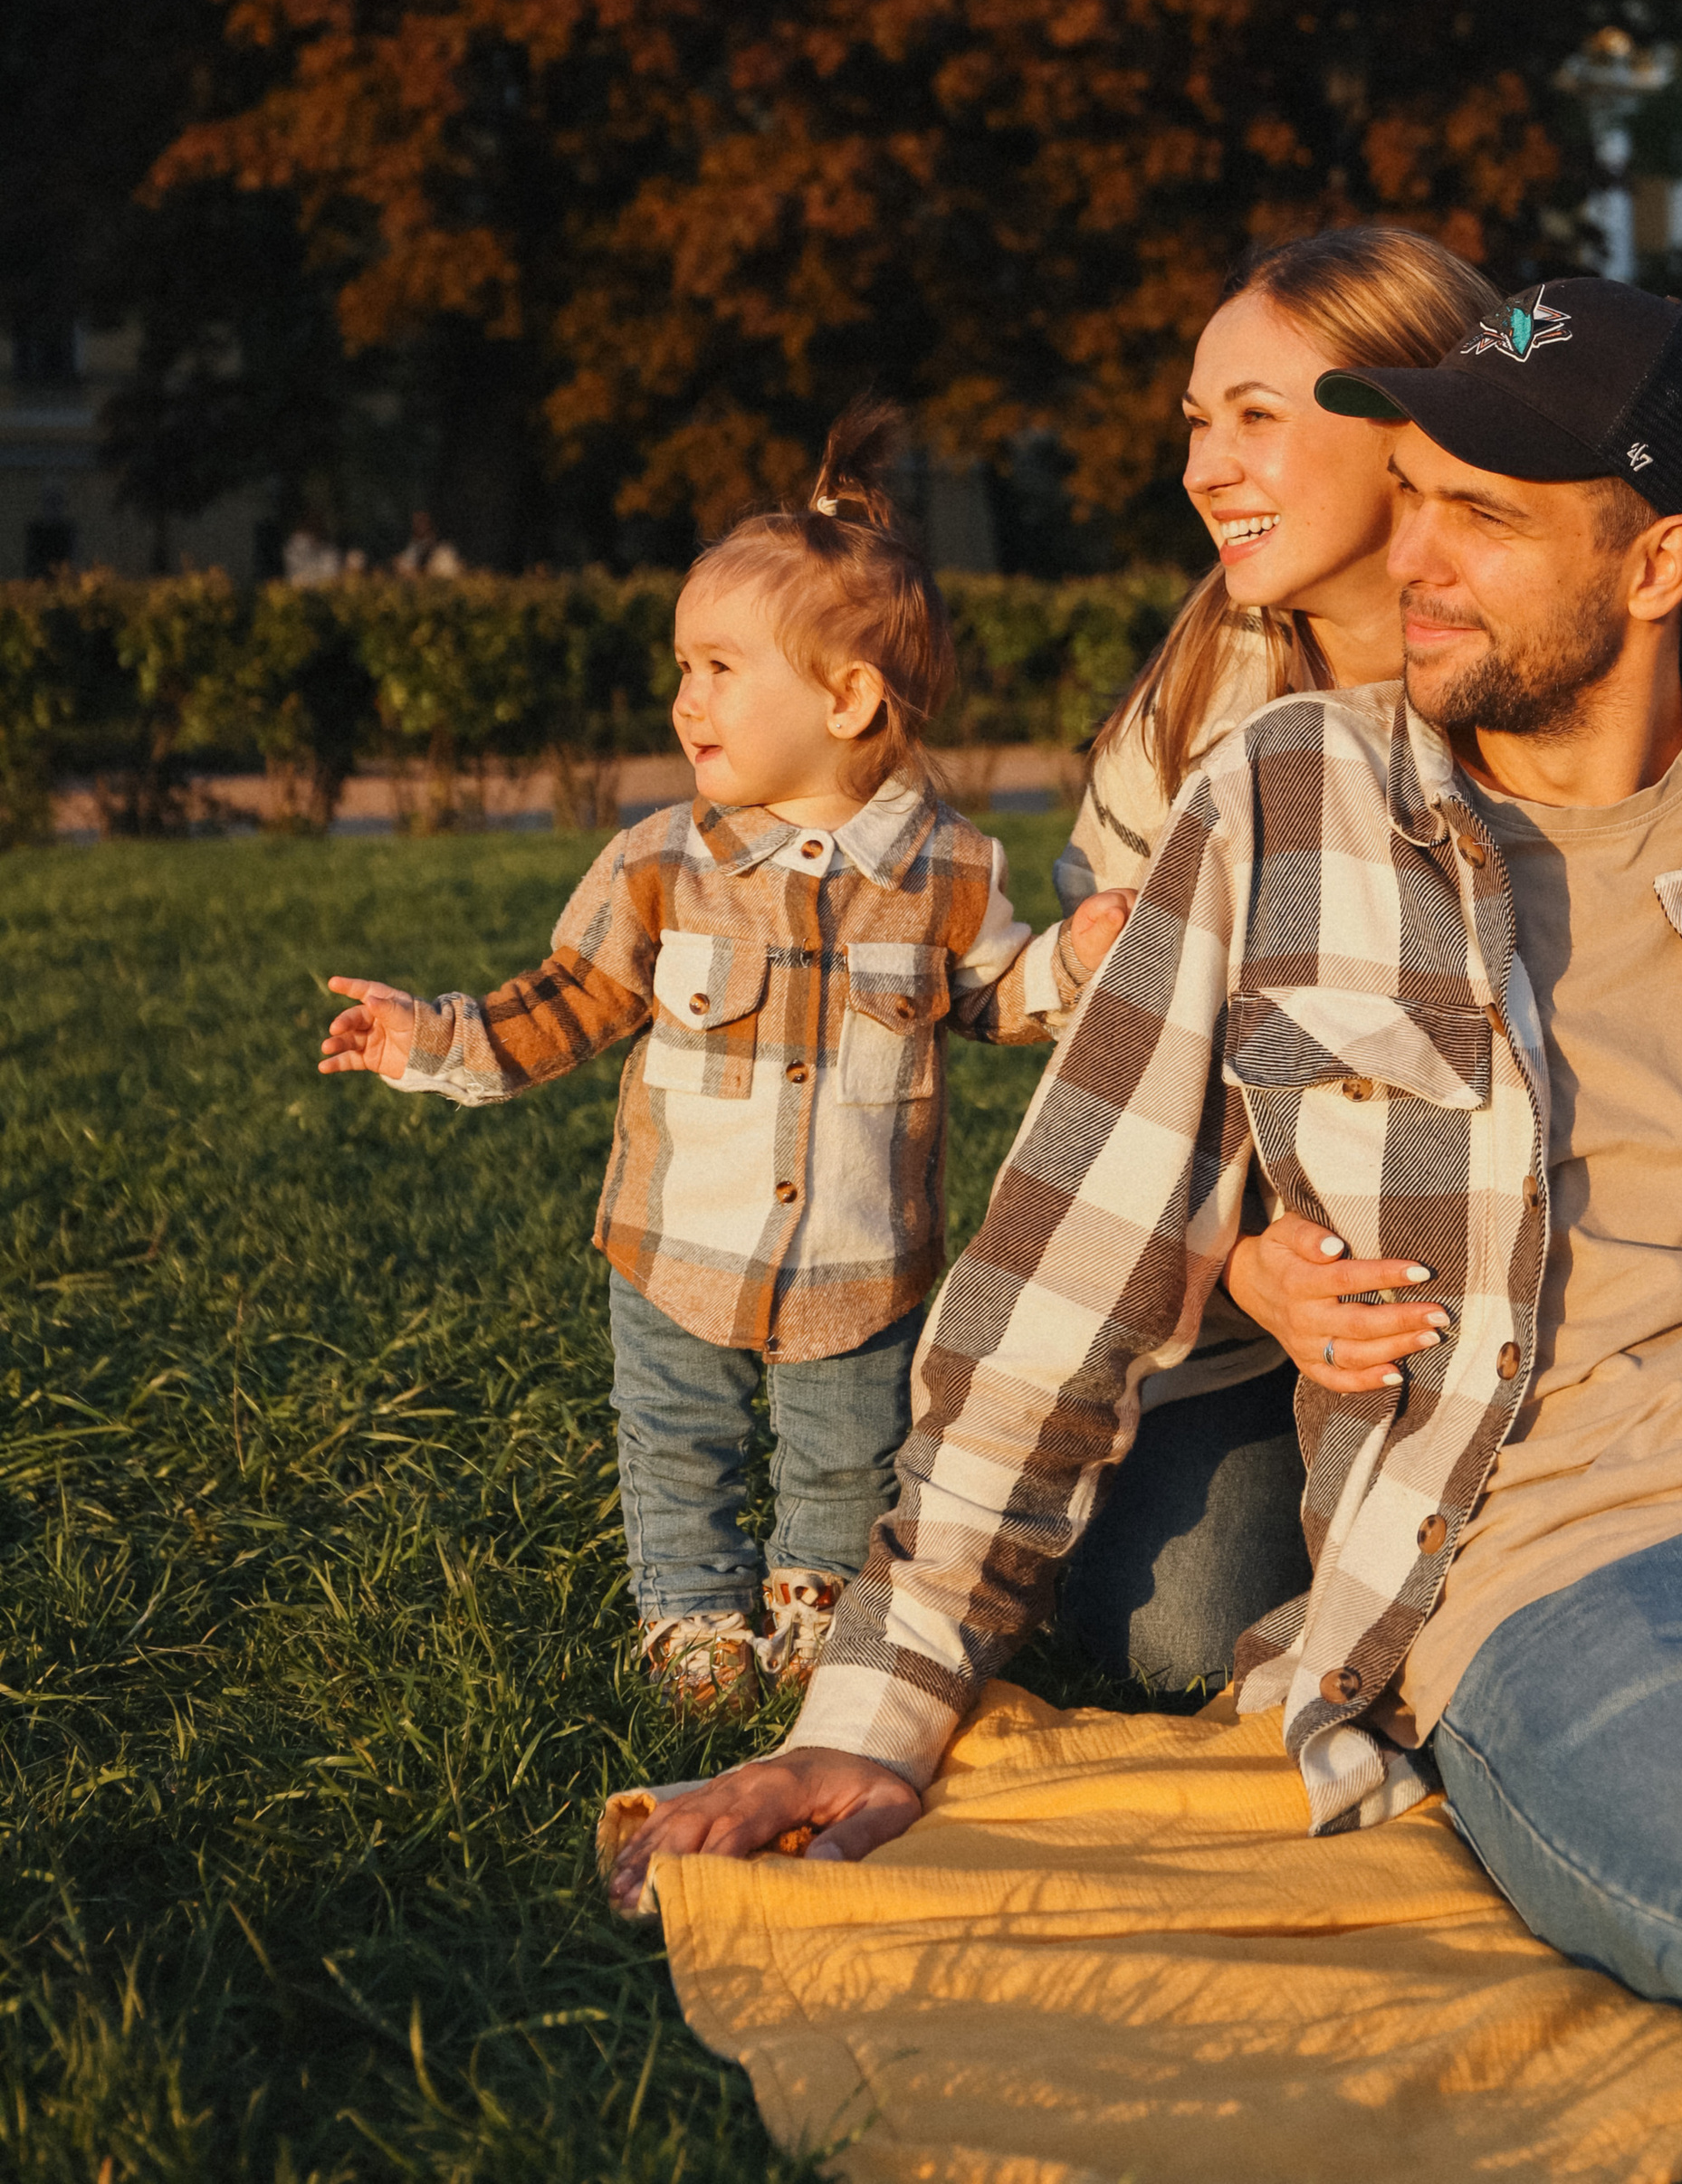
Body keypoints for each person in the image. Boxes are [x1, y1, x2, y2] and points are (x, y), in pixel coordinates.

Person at [611, 283, 1682, 2184]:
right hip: (1577, 1591)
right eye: (1410, 493)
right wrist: (876, 1705)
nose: (1411, 557)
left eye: (1482, 516)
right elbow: (1062, 1272)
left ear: (1657, 564)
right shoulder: (1285, 795)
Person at [1023, 224, 1682, 1687]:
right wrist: (1246, 1267)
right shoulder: (1196, 711)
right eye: (1196, 423)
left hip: (1593, 1281)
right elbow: (1113, 1100)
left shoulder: (1651, 625)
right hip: (1316, 1311)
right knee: (1172, 1632)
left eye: (1256, 418)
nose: (1203, 469)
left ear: (1405, 427)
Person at [315, 402, 1128, 1718]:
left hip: (861, 1256)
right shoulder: (658, 863)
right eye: (682, 667)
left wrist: (1076, 959)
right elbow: (572, 998)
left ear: (848, 698)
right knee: (678, 1440)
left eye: (717, 668)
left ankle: (818, 1600)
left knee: (847, 1453)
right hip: (675, 1244)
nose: (685, 698)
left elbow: (998, 1002)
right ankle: (690, 1605)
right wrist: (436, 1039)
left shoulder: (950, 870)